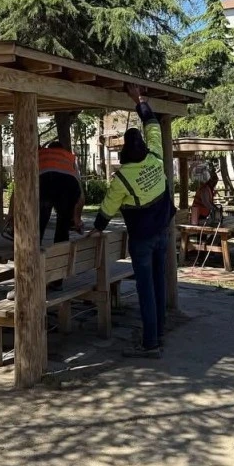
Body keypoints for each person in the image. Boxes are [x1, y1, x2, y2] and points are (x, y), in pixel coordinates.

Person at [91, 85, 176, 358]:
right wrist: (140, 101)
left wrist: (95, 229)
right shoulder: (156, 158)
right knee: (159, 282)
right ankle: (159, 333)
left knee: (146, 289)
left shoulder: (122, 178)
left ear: (125, 151)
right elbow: (153, 127)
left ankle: (150, 344)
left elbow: (107, 210)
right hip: (163, 232)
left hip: (142, 240)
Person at [38, 141, 84, 243]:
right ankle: (61, 246)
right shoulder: (68, 157)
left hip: (45, 181)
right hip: (68, 184)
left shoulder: (40, 154)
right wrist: (77, 218)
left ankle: (34, 244)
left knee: (41, 216)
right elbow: (81, 196)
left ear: (49, 149)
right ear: (62, 150)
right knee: (64, 220)